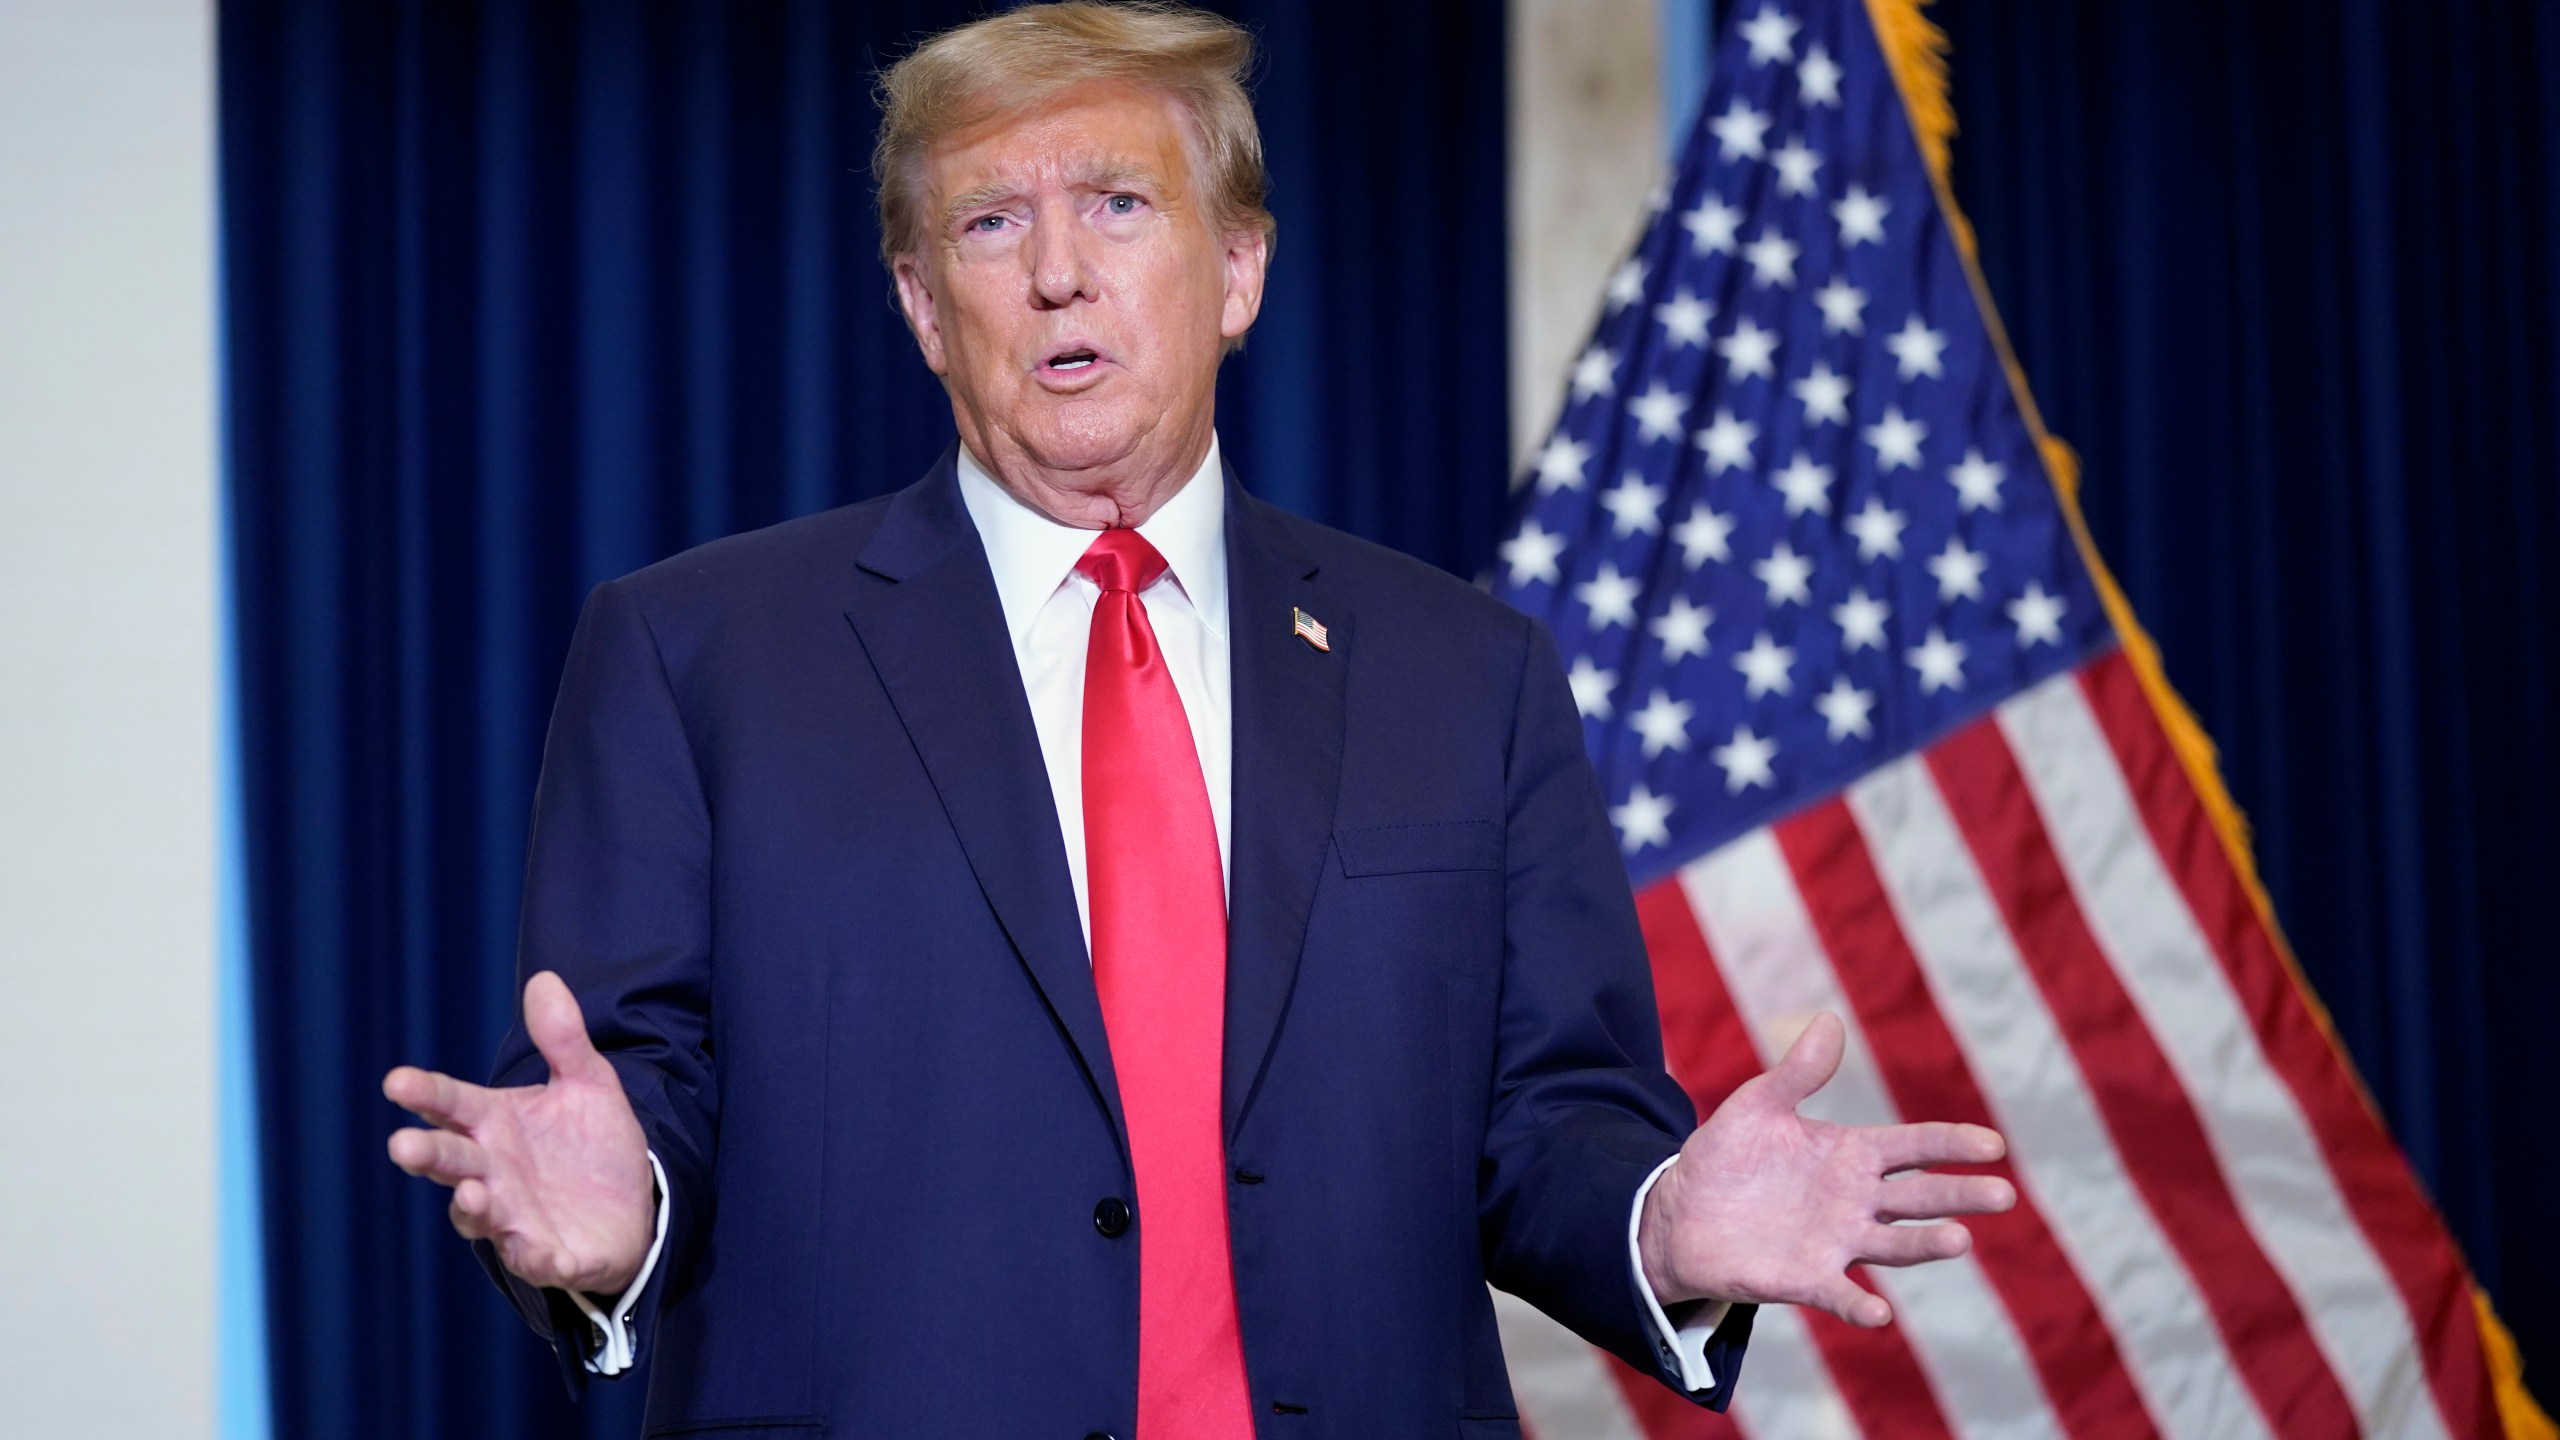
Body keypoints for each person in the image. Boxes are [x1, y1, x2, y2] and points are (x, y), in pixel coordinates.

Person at [382, 4, 2014, 1435]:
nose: (1060, 269)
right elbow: (637, 1080)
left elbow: (1548, 1115)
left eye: (1115, 204)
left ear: (1237, 270)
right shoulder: (695, 652)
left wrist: (1655, 1221)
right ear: (922, 306)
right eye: (991, 224)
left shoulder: (1468, 671)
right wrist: (625, 1204)